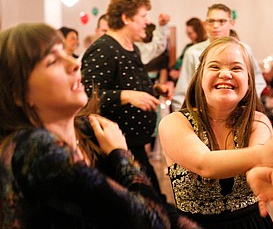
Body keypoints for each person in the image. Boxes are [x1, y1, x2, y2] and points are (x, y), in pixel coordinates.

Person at [0, 22, 193, 229]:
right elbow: (152, 221)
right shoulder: (33, 148)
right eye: (53, 61)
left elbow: (159, 210)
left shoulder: (89, 130)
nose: (74, 63)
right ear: (18, 94)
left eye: (66, 53)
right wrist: (120, 154)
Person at [159, 37, 273, 229]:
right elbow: (204, 164)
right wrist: (262, 156)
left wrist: (259, 170)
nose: (225, 74)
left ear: (248, 82)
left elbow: (257, 160)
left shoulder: (258, 121)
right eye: (214, 67)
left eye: (236, 68)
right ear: (200, 77)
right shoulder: (175, 123)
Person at [81, 0, 172, 196]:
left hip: (134, 148)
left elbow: (129, 83)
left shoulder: (132, 48)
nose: (147, 22)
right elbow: (87, 96)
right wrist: (125, 95)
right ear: (125, 18)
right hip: (115, 153)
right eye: (143, 16)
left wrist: (155, 88)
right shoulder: (104, 48)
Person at [171, 4, 266, 112]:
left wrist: (246, 103)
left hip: (238, 111)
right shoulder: (193, 52)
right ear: (205, 24)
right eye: (211, 21)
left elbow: (257, 80)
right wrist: (185, 118)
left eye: (221, 21)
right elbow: (183, 90)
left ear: (231, 23)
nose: (215, 25)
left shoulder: (244, 50)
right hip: (203, 112)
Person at [169, 17, 207, 85]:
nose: (188, 36)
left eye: (190, 33)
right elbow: (179, 63)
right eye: (187, 33)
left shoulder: (205, 47)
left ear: (198, 32)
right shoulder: (188, 47)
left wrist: (180, 73)